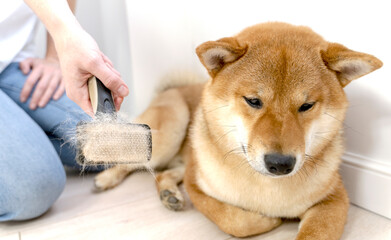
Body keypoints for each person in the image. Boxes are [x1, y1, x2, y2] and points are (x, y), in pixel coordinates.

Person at [0, 0, 125, 221]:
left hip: (12, 65)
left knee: (114, 145)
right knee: (34, 188)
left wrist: (55, 56)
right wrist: (66, 34)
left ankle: (24, 146)